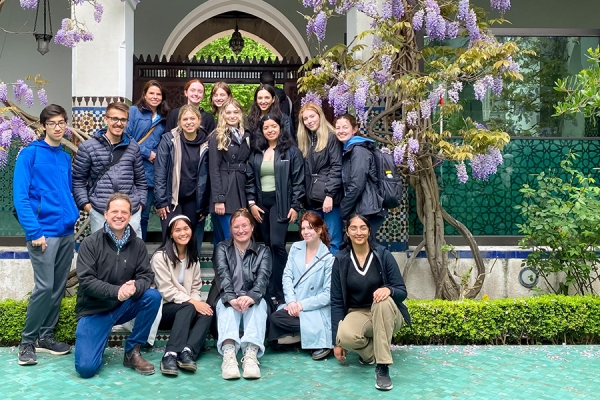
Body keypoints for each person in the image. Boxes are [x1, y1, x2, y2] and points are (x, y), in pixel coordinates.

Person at [13, 104, 80, 366]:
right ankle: (26, 342)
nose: (58, 127)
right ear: (42, 126)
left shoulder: (64, 156)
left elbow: (65, 193)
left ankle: (45, 336)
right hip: (43, 234)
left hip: (65, 233)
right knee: (44, 287)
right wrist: (34, 231)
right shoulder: (28, 155)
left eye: (61, 122)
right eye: (52, 123)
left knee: (57, 287)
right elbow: (21, 197)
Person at [74, 193, 162, 378]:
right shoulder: (90, 243)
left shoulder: (137, 244)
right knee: (86, 369)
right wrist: (117, 291)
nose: (119, 215)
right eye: (114, 211)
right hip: (94, 311)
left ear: (130, 216)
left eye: (124, 212)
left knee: (152, 297)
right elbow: (87, 281)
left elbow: (146, 275)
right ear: (106, 214)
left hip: (123, 307)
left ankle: (132, 351)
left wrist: (136, 286)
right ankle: (99, 336)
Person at [331, 214, 410, 391]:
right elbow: (336, 301)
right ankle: (370, 355)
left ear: (369, 231)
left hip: (387, 313)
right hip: (358, 313)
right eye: (354, 228)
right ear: (347, 232)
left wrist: (388, 289)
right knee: (345, 337)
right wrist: (335, 342)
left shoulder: (383, 254)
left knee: (381, 302)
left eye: (363, 228)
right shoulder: (340, 260)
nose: (358, 232)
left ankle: (382, 367)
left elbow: (402, 291)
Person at [246, 113, 304, 304]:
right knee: (268, 245)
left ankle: (285, 286)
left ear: (280, 128)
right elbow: (250, 179)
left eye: (273, 126)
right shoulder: (257, 151)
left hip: (282, 203)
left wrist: (295, 205)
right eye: (266, 128)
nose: (270, 130)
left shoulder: (291, 151)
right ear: (261, 131)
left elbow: (298, 180)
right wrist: (252, 203)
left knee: (278, 244)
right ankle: (270, 288)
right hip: (262, 205)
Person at [211, 209, 271, 380]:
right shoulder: (222, 248)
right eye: (236, 227)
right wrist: (231, 298)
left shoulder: (263, 251)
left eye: (245, 225)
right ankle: (229, 355)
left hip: (253, 297)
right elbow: (222, 275)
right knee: (227, 307)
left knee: (259, 307)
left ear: (252, 227)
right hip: (227, 295)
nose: (241, 230)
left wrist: (251, 296)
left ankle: (251, 354)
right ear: (231, 229)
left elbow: (263, 279)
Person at [73, 101, 147, 237]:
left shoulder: (133, 147)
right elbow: (78, 180)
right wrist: (87, 206)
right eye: (115, 118)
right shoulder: (88, 147)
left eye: (123, 119)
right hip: (101, 211)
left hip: (131, 211)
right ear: (106, 119)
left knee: (132, 255)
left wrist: (140, 204)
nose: (119, 123)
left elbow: (141, 180)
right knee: (103, 255)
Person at [151, 215, 213, 376]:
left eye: (186, 229)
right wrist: (193, 302)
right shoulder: (160, 257)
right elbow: (166, 290)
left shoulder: (193, 259)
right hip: (163, 310)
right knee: (190, 305)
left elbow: (196, 288)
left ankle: (187, 352)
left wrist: (196, 304)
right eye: (177, 230)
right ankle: (170, 354)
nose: (183, 233)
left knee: (207, 311)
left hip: (185, 309)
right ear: (171, 234)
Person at [268, 212, 334, 360]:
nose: (305, 232)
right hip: (294, 305)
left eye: (310, 228)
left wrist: (301, 305)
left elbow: (327, 295)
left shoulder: (328, 259)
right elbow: (287, 276)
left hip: (313, 308)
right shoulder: (296, 248)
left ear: (319, 230)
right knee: (274, 325)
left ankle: (318, 339)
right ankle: (307, 338)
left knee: (279, 327)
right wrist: (291, 302)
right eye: (303, 228)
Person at [154, 105, 210, 249]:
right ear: (179, 121)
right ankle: (169, 270)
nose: (189, 122)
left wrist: (204, 206)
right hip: (171, 200)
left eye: (193, 118)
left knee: (190, 239)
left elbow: (209, 176)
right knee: (171, 237)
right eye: (185, 119)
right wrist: (161, 201)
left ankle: (190, 270)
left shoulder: (208, 142)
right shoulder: (168, 140)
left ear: (199, 120)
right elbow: (160, 171)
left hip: (194, 200)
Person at [124, 80, 169, 241]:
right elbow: (126, 136)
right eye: (151, 93)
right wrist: (147, 153)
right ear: (144, 94)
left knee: (144, 216)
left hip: (151, 174)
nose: (155, 97)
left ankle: (139, 250)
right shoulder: (134, 112)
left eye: (158, 94)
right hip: (132, 170)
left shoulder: (164, 118)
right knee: (128, 213)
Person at [297, 102, 343, 254]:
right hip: (312, 200)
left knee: (332, 240)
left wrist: (330, 195)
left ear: (320, 116)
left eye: (312, 116)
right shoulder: (306, 141)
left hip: (329, 200)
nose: (309, 121)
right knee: (313, 240)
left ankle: (332, 277)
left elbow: (336, 167)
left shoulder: (331, 138)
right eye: (305, 119)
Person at [334, 114, 387, 241]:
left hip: (366, 209)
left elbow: (357, 183)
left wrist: (343, 209)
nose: (341, 131)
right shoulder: (347, 149)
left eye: (345, 127)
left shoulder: (359, 150)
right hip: (360, 207)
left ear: (354, 129)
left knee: (364, 250)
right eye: (338, 128)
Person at [208, 98, 251, 245]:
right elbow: (213, 169)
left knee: (241, 234)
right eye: (228, 112)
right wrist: (218, 198)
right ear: (222, 115)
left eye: (235, 112)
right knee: (227, 236)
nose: (232, 115)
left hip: (241, 187)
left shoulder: (246, 135)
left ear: (241, 114)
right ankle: (224, 268)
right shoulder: (217, 136)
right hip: (225, 190)